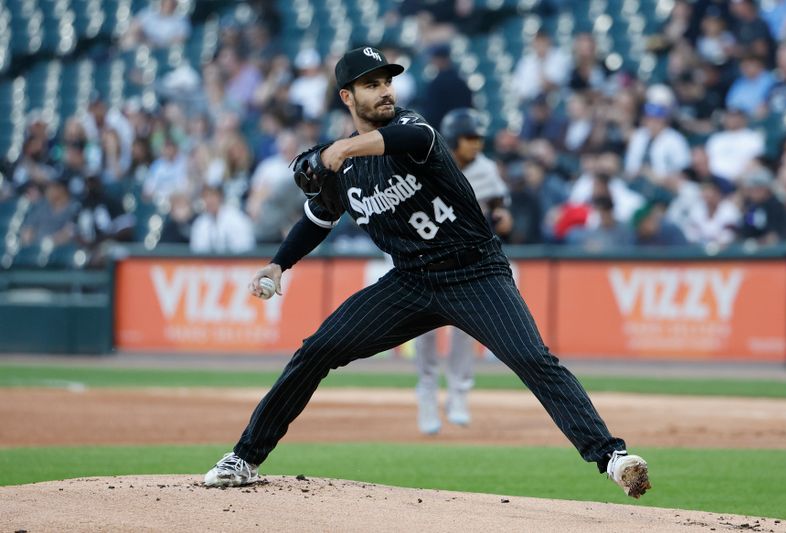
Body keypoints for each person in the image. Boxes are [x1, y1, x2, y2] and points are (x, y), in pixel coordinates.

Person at [203, 46, 651, 499]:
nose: (384, 92)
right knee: (316, 350)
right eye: (371, 85)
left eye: (387, 82)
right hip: (411, 283)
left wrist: (336, 149)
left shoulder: (412, 130)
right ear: (347, 96)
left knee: (533, 359)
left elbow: (404, 141)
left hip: (476, 273)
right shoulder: (345, 169)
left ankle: (611, 455)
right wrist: (280, 263)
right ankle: (244, 457)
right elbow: (318, 218)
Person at [414, 107, 512, 434]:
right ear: (454, 140)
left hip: (462, 259)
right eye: (470, 138)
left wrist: (501, 215)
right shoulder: (428, 162)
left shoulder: (485, 169)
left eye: (479, 138)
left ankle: (458, 395)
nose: (476, 144)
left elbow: (499, 202)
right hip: (423, 255)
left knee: (465, 328)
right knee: (423, 330)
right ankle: (427, 394)